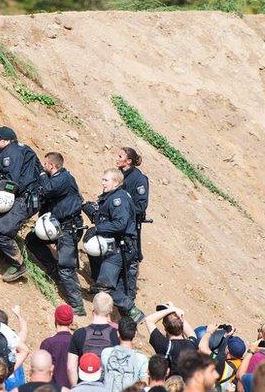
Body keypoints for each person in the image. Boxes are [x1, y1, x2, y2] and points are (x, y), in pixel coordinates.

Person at [0, 126, 41, 282]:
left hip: (25, 199)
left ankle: (18, 264)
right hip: (18, 197)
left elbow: (11, 182)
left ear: (7, 140)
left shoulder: (13, 153)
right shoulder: (4, 152)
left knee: (0, 230)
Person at [25, 152, 85, 313]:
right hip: (56, 225)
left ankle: (77, 305)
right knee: (32, 240)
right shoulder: (59, 178)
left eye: (46, 165)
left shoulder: (63, 178)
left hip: (68, 228)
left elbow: (47, 189)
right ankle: (54, 271)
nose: (44, 168)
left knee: (66, 266)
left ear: (51, 165)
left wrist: (42, 175)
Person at [87, 169, 143, 322]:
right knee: (115, 284)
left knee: (105, 286)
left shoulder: (118, 199)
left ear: (116, 182)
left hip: (119, 249)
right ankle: (129, 316)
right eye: (103, 179)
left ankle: (133, 311)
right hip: (115, 247)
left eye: (106, 180)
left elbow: (120, 223)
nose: (102, 183)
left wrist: (98, 228)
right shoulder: (111, 197)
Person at [68, 293, 120, 387]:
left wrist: (75, 388)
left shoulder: (79, 334)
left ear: (92, 308)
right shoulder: (117, 334)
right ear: (111, 310)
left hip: (83, 385)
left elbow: (70, 367)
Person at [116, 147, 148, 300]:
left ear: (128, 161)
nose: (116, 158)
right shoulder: (118, 175)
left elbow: (141, 206)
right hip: (117, 221)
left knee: (131, 258)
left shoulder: (139, 179)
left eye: (120, 156)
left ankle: (130, 294)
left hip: (131, 225)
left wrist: (123, 208)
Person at [144, 305, 197, 375]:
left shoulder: (165, 346)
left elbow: (149, 320)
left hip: (169, 384)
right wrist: (176, 311)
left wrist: (172, 309)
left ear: (165, 328)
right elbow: (190, 332)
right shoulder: (192, 344)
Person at [101, 317, 149, 392]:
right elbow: (144, 385)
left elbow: (101, 377)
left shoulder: (106, 353)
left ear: (118, 333)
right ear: (135, 334)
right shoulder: (141, 358)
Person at [40, 304, 75, 389]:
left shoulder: (47, 343)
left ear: (55, 319)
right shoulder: (76, 342)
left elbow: (41, 371)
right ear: (71, 321)